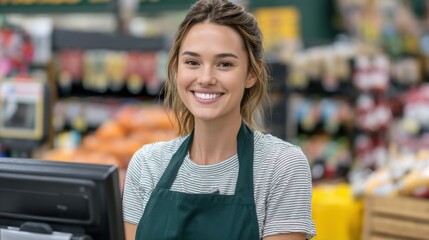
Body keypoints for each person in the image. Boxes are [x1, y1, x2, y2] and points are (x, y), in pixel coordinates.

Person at [122, 0, 316, 239]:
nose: (206, 78)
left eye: (224, 64)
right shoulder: (147, 165)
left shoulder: (281, 166)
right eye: (192, 62)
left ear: (251, 74)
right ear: (175, 70)